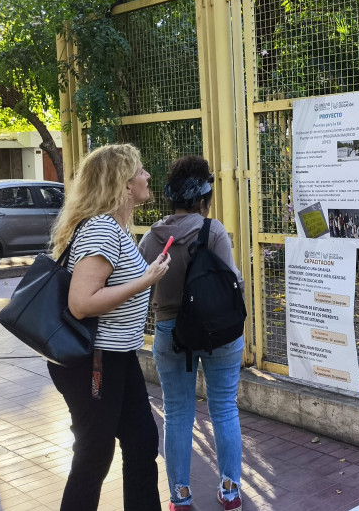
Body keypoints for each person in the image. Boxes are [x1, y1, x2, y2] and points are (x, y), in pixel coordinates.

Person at [47, 143, 171, 511]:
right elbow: (81, 303)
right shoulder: (102, 229)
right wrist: (144, 281)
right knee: (94, 453)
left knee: (142, 440)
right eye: (141, 171)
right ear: (123, 182)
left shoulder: (114, 227)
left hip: (115, 356)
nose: (147, 176)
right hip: (93, 360)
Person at [139, 156, 246, 511]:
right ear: (204, 196)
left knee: (178, 413)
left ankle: (180, 498)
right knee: (224, 409)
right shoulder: (212, 231)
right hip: (219, 334)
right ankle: (230, 492)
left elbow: (141, 288)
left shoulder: (153, 238)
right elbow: (234, 284)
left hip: (171, 334)